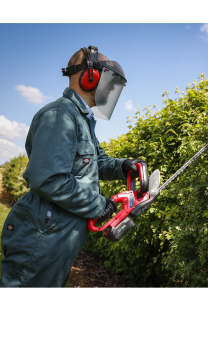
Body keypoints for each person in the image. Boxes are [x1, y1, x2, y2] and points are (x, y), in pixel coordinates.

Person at [0, 45, 146, 288]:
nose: (110, 90)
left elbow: (96, 161)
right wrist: (100, 205)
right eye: (109, 81)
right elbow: (49, 179)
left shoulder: (81, 119)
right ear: (91, 77)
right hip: (42, 234)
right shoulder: (60, 115)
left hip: (58, 234)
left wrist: (124, 166)